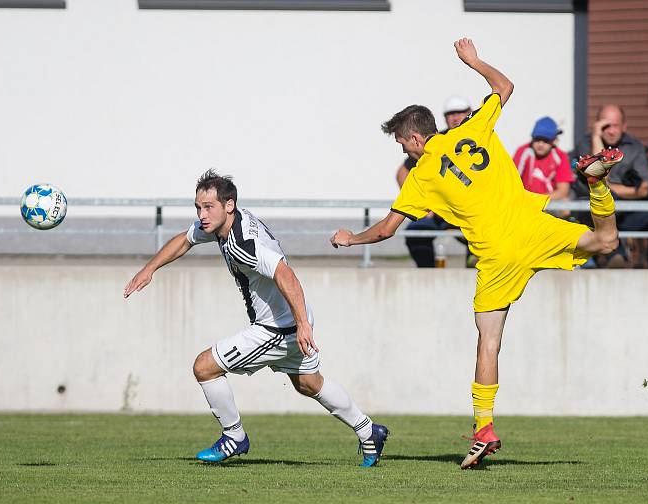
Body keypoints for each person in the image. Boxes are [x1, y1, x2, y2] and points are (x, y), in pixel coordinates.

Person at [330, 38, 620, 469]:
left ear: (414, 136)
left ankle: (484, 427)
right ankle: (596, 184)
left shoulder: (420, 176)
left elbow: (389, 229)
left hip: (497, 253)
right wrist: (474, 61)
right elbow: (505, 86)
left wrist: (350, 239)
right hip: (531, 224)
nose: (404, 151)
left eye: (401, 144)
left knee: (489, 341)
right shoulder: (471, 128)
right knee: (605, 242)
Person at [125, 170, 389, 467]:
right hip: (290, 321)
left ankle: (234, 436)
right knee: (308, 383)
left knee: (205, 367)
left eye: (208, 207)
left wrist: (301, 324)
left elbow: (285, 274)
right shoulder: (222, 223)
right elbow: (184, 240)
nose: (201, 214)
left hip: (277, 328)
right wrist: (150, 269)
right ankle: (369, 431)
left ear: (229, 205)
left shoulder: (244, 244)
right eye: (198, 207)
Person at [573, 104, 648, 268]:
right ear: (597, 125)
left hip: (628, 209)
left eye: (615, 125)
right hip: (596, 210)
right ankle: (615, 258)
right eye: (605, 125)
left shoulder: (635, 146)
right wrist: (596, 137)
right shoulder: (586, 142)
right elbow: (597, 173)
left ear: (624, 126)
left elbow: (644, 188)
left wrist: (611, 187)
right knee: (604, 201)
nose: (610, 131)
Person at [395, 96, 473, 268]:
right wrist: (422, 202)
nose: (456, 117)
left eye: (460, 112)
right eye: (450, 113)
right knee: (416, 232)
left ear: (470, 113)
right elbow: (402, 172)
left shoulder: (477, 137)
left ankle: (474, 269)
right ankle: (428, 273)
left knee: (482, 233)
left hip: (470, 211)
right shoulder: (435, 140)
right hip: (441, 212)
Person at [513, 116, 574, 201]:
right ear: (532, 138)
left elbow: (563, 191)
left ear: (553, 141)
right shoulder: (523, 152)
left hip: (550, 202)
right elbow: (511, 182)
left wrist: (538, 200)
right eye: (537, 139)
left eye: (546, 140)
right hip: (525, 201)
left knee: (565, 204)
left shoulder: (560, 156)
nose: (541, 144)